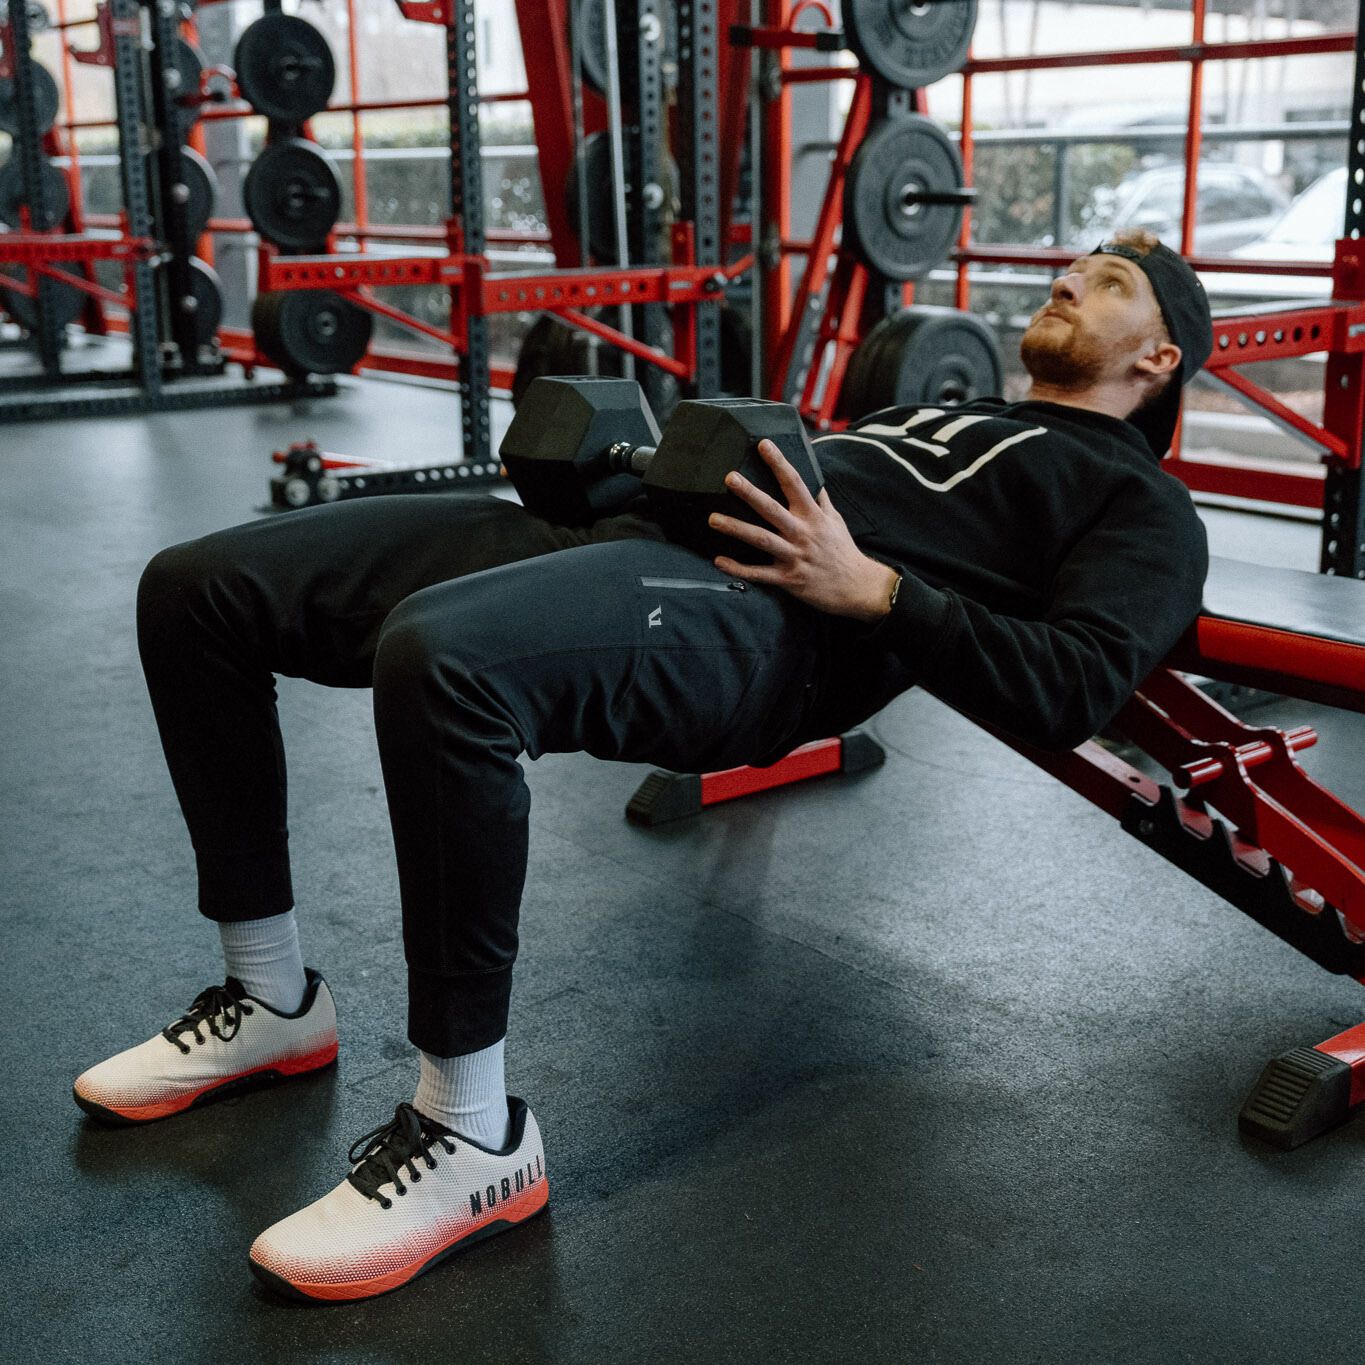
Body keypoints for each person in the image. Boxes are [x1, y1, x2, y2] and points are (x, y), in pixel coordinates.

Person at [72, 230, 1213, 1302]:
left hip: (772, 633)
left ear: (1160, 358)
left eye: (1111, 280)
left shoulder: (1144, 505)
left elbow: (1074, 688)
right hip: (638, 542)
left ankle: (473, 1136)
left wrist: (875, 592)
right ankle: (271, 999)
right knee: (195, 590)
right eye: (1074, 266)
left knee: (447, 659)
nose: (1070, 279)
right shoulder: (933, 410)